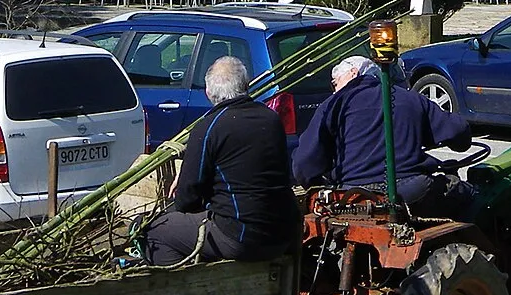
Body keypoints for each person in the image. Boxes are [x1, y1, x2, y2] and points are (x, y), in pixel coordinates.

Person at [144, 56, 300, 264]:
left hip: (242, 237)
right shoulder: (270, 118)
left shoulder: (209, 127)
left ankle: (184, 290)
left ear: (209, 93)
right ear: (246, 85)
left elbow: (187, 198)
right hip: (283, 232)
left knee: (154, 231)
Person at [292, 55, 475, 218]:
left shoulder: (331, 106)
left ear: (354, 73)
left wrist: (321, 188)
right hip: (411, 191)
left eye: (335, 82)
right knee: (469, 194)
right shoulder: (409, 98)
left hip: (353, 197)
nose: (334, 89)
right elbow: (459, 132)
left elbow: (303, 165)